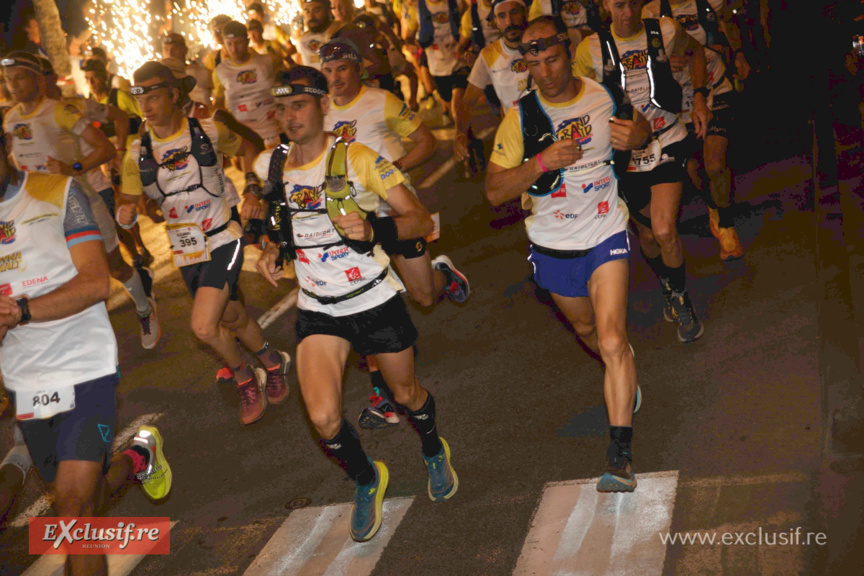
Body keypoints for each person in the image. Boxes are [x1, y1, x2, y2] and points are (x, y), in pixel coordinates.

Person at [256, 66, 457, 542]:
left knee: (406, 396)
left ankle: (433, 449)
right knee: (324, 417)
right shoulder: (274, 164)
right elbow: (283, 221)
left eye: (299, 105)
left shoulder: (359, 157)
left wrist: (374, 230)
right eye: (281, 108)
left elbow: (419, 219)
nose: (290, 116)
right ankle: (368, 479)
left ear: (324, 105)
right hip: (318, 308)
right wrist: (271, 248)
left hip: (372, 300)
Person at [485, 16, 647, 492]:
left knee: (613, 339)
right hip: (553, 243)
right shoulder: (520, 118)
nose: (546, 71)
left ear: (567, 49)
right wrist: (540, 162)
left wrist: (638, 138)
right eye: (534, 64)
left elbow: (639, 134)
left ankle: (619, 457)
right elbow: (494, 192)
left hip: (606, 231)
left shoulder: (603, 95)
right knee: (587, 329)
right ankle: (623, 370)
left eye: (552, 58)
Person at [0, 131, 171, 575]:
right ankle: (135, 460)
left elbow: (96, 281)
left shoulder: (58, 192)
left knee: (74, 513)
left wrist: (19, 311)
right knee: (81, 501)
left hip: (84, 364)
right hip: (24, 378)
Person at [118, 61, 291, 425]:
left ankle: (246, 376)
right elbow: (134, 202)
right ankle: (273, 362)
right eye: (140, 98)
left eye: (153, 95)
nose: (146, 105)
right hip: (186, 248)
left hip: (223, 237)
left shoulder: (207, 129)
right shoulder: (137, 151)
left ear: (173, 95)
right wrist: (132, 211)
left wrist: (251, 188)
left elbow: (249, 149)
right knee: (230, 314)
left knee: (203, 326)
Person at [320, 40, 469, 429]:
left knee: (423, 295)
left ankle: (444, 277)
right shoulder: (318, 111)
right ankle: (382, 392)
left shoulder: (381, 101)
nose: (334, 78)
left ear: (357, 69)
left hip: (395, 214)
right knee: (369, 302)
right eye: (328, 70)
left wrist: (391, 172)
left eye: (341, 69)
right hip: (353, 226)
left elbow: (428, 142)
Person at [2, 51, 160, 349]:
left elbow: (104, 149)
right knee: (62, 278)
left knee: (115, 267)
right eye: (8, 80)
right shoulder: (10, 120)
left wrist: (71, 168)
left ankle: (144, 307)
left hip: (80, 204)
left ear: (36, 78)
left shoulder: (60, 111)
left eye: (20, 77)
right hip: (40, 215)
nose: (14, 86)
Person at [573, 0, 709, 343]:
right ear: (606, 5)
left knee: (664, 231)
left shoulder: (664, 30)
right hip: (623, 155)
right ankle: (667, 283)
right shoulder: (589, 49)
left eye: (634, 3)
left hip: (666, 138)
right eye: (619, 5)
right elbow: (578, 105)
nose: (628, 12)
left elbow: (697, 53)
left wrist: (701, 97)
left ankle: (682, 299)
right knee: (647, 236)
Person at [643, 0, 748, 261]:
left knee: (714, 163)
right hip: (678, 101)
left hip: (714, 88)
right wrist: (663, 63)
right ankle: (713, 204)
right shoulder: (650, 12)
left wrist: (738, 53)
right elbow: (638, 58)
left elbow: (730, 22)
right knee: (692, 168)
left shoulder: (711, 2)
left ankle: (726, 225)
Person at [454, 0, 530, 164]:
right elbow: (467, 102)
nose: (509, 22)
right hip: (516, 138)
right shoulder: (488, 55)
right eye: (502, 16)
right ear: (495, 22)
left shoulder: (545, 42)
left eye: (514, 12)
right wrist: (460, 133)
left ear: (526, 13)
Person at [213, 21, 284, 148]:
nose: (234, 49)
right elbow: (218, 106)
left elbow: (284, 88)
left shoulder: (268, 61)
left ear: (247, 41)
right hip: (245, 136)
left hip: (275, 130)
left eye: (238, 42)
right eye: (229, 44)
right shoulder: (220, 71)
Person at [162, 32, 214, 106]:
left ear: (185, 50)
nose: (170, 54)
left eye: (175, 49)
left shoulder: (200, 73)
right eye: (166, 50)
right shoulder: (158, 77)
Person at [297, 0, 345, 69]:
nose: (311, 16)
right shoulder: (304, 38)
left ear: (328, 11)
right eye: (307, 11)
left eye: (316, 11)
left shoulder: (342, 31)